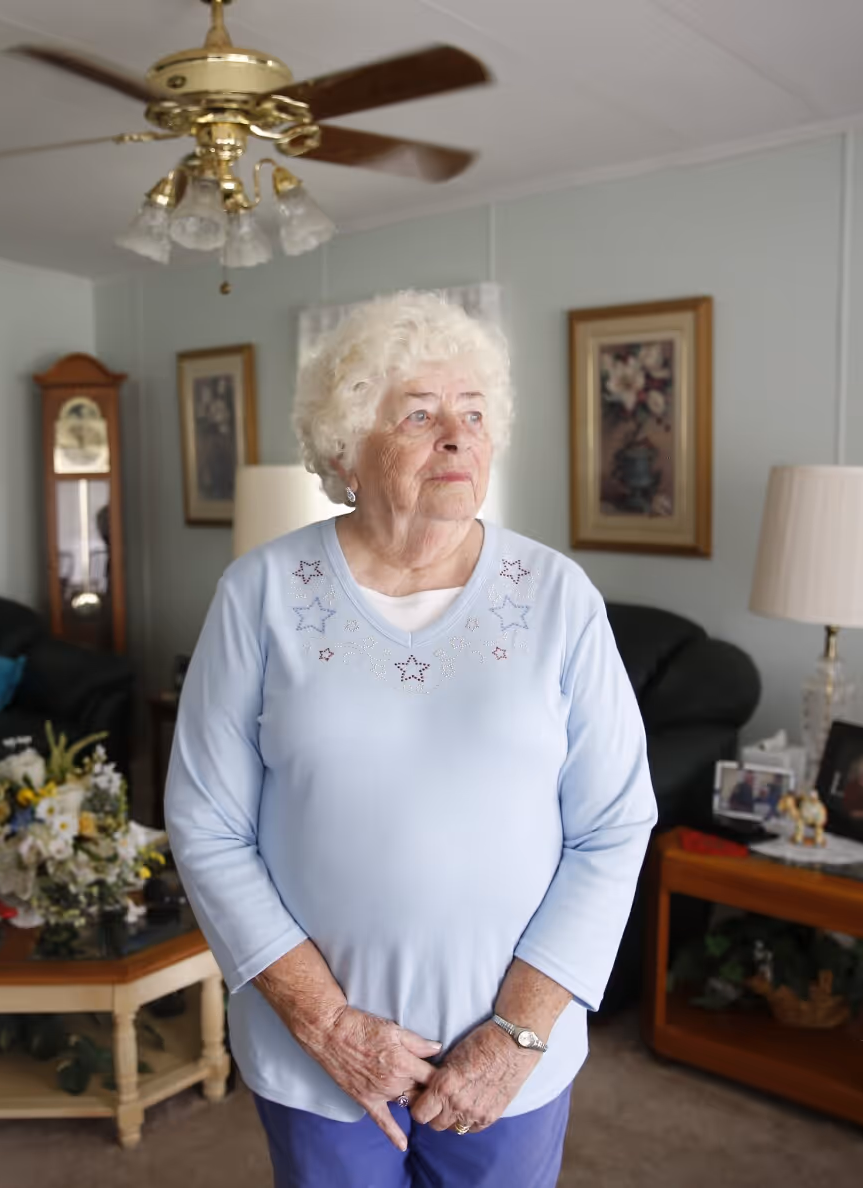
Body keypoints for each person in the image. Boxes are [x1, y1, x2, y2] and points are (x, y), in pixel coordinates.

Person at [165, 292, 657, 1188]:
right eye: (421, 413)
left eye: (473, 413)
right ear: (347, 447)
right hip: (318, 1059)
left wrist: (516, 1037)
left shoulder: (557, 597)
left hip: (511, 1050)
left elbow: (614, 826)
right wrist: (326, 1025)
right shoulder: (261, 593)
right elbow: (206, 825)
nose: (457, 435)